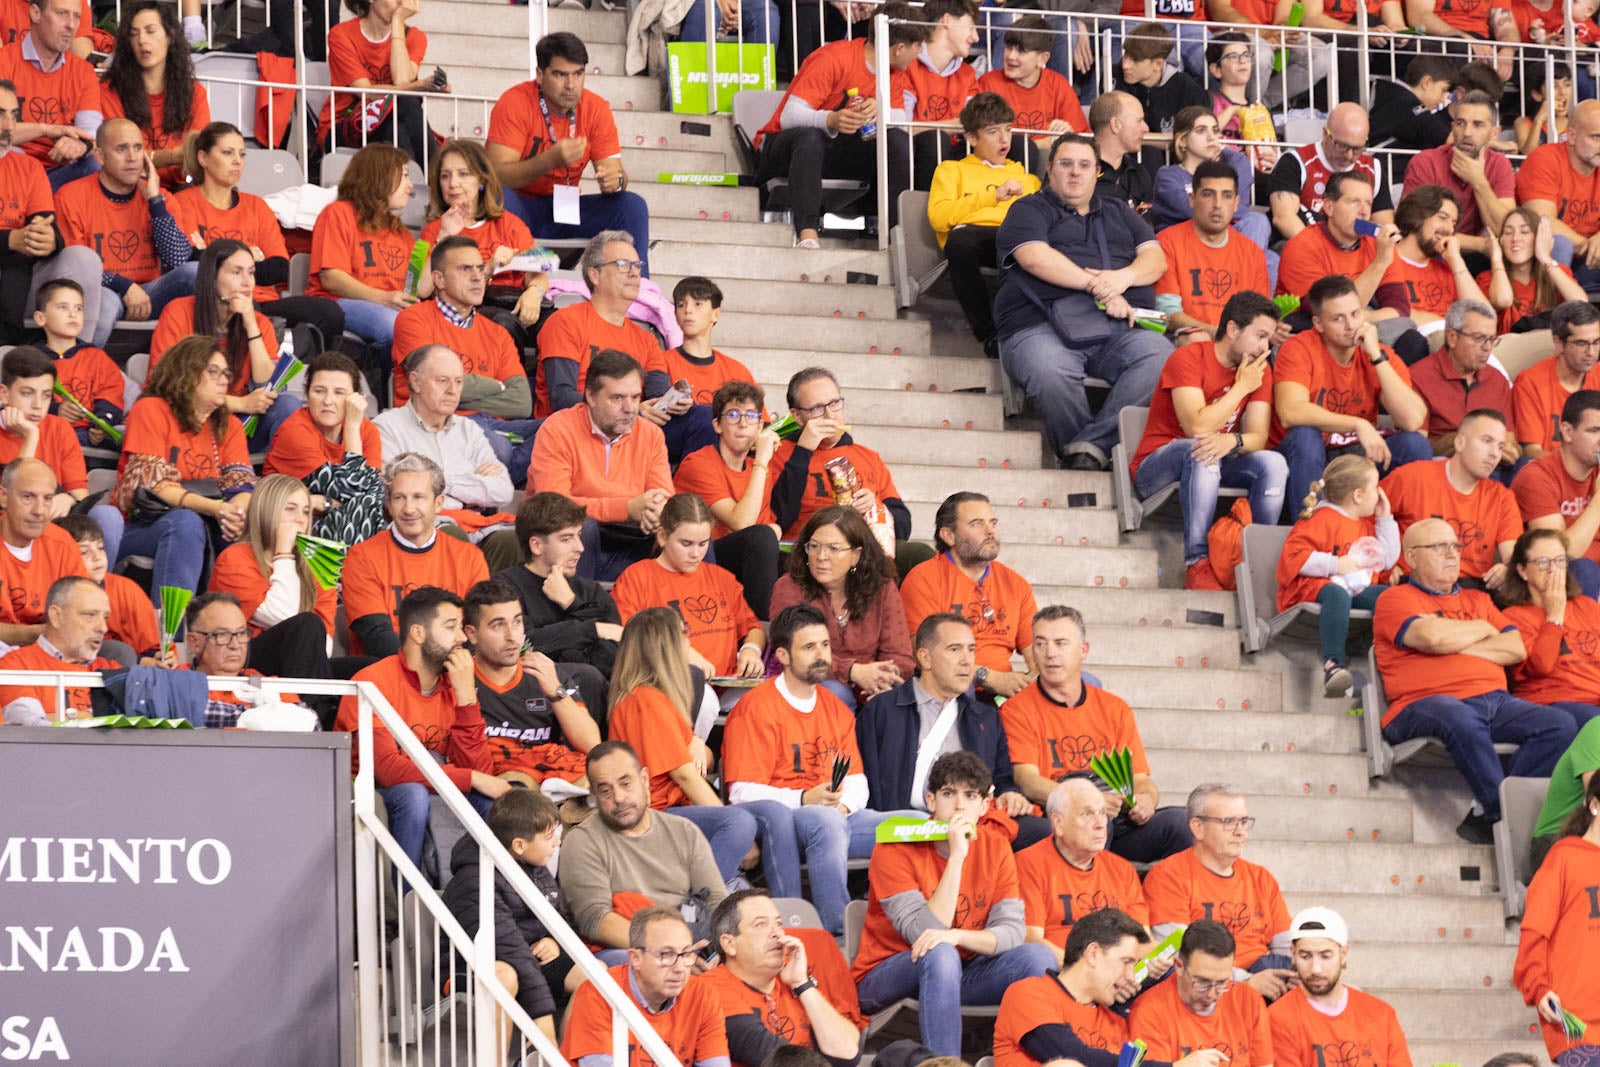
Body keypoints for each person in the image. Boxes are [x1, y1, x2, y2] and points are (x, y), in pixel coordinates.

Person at [1373, 517, 1576, 843]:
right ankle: (1503, 817)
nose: (1452, 554)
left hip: (1495, 701)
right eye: (1439, 547)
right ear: (1411, 557)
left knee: (1559, 725)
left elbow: (1515, 647)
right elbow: (1431, 637)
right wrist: (1483, 630)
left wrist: (1453, 643)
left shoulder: (1478, 600)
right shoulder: (1396, 599)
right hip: (1421, 704)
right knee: (1460, 716)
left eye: (1455, 545)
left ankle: (1486, 811)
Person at [851, 751, 1055, 1056]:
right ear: (931, 801)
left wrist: (958, 936)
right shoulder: (894, 845)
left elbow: (1012, 933)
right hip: (885, 973)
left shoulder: (996, 846)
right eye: (949, 794)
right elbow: (926, 933)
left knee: (1037, 958)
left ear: (985, 805)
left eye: (970, 796)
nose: (959, 805)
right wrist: (957, 856)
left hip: (959, 970)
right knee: (939, 951)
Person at [992, 133, 1171, 472]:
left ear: (1097, 172)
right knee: (1051, 370)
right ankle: (1085, 458)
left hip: (1114, 325)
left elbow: (1155, 260)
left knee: (1161, 357)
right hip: (1039, 324)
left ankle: (1088, 448)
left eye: (1084, 165)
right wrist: (1098, 286)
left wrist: (1123, 278)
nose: (1075, 173)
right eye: (1066, 164)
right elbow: (1034, 258)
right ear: (1049, 169)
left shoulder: (1119, 210)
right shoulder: (1028, 208)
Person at [723, 604, 891, 935]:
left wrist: (844, 805)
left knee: (916, 826)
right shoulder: (755, 708)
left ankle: (893, 928)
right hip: (784, 824)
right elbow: (741, 791)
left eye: (825, 645)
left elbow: (856, 779)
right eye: (809, 647)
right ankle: (837, 932)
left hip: (837, 819)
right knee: (825, 820)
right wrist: (803, 798)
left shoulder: (835, 707)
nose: (821, 655)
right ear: (783, 655)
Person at [333, 586, 506, 876]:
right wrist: (471, 777)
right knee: (412, 795)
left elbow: (480, 771)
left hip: (433, 785)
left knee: (490, 801)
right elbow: (387, 770)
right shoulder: (372, 681)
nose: (463, 638)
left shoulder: (456, 684)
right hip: (372, 792)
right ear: (417, 633)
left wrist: (467, 699)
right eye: (451, 627)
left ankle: (472, 898)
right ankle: (407, 902)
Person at [1000, 605, 1192, 864]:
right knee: (1094, 820)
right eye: (1040, 644)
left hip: (1120, 819)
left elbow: (1141, 779)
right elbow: (1027, 781)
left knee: (1181, 824)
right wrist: (1089, 803)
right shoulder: (1018, 708)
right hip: (1062, 820)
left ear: (1083, 650)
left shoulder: (1114, 708)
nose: (1050, 654)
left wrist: (1147, 799)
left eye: (1060, 643)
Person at [1129, 292, 1288, 591]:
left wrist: (1234, 441)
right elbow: (1196, 427)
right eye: (1260, 336)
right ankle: (1197, 562)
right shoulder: (1188, 358)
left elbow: (1258, 437)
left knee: (1274, 462)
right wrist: (1241, 388)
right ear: (1232, 330)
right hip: (1157, 466)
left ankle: (1254, 559)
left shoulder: (1258, 372)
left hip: (1215, 457)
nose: (1265, 348)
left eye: (1268, 340)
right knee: (1199, 449)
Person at [606, 606, 773, 887]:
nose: (688, 642)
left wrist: (696, 744)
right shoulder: (645, 700)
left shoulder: (653, 696)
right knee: (738, 823)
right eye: (682, 634)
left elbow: (700, 760)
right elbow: (684, 774)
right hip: (655, 813)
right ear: (664, 645)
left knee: (769, 814)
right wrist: (743, 840)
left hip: (671, 808)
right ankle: (702, 903)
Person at [750, 3, 920, 249]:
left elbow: (901, 121)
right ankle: (807, 234)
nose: (919, 54)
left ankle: (893, 236)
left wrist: (880, 111)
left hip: (834, 151)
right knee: (811, 136)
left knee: (897, 141)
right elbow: (789, 116)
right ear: (900, 48)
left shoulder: (893, 71)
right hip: (781, 148)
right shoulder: (833, 57)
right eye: (917, 48)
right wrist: (830, 119)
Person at [534, 231, 713, 464]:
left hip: (635, 431)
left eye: (637, 265)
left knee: (706, 419)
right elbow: (562, 398)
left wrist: (672, 402)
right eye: (622, 264)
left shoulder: (646, 339)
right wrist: (632, 411)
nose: (634, 272)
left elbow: (658, 392)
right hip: (578, 430)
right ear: (594, 275)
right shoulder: (565, 322)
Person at [858, 612, 1037, 838]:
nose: (967, 661)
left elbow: (1002, 779)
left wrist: (1010, 792)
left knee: (1041, 831)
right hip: (899, 827)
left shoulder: (985, 717)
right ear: (925, 658)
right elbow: (861, 778)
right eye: (954, 649)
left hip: (969, 825)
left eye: (971, 649)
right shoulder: (882, 711)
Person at [166, 121, 345, 345]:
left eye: (242, 154)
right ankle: (270, 342)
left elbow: (279, 267)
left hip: (262, 299)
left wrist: (215, 255)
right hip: (217, 303)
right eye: (227, 153)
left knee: (329, 313)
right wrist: (252, 257)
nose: (237, 162)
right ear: (203, 158)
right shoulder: (184, 203)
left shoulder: (257, 206)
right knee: (244, 308)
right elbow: (194, 263)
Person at [1270, 273, 1432, 517]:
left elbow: (1412, 419)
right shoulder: (1299, 348)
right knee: (1305, 436)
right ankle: (1309, 533)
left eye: (1356, 314)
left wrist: (1376, 356)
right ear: (1318, 323)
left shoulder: (1378, 353)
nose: (1351, 326)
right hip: (1308, 453)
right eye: (1338, 318)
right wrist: (1357, 424)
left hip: (1356, 455)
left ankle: (1402, 535)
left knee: (1414, 444)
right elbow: (1290, 411)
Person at [485, 32, 650, 265]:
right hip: (520, 207)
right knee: (494, 195)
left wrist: (616, 181)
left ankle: (638, 294)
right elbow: (496, 175)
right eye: (560, 75)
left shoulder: (596, 108)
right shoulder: (514, 102)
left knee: (632, 206)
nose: (571, 85)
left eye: (578, 74)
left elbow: (616, 171)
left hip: (566, 212)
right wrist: (548, 161)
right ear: (540, 75)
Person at [112, 336, 255, 595]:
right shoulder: (151, 410)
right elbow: (155, 487)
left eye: (226, 373)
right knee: (186, 523)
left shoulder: (229, 426)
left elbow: (241, 483)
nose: (224, 380)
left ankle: (228, 628)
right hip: (141, 527)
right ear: (186, 372)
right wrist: (216, 509)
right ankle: (170, 632)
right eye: (213, 371)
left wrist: (235, 514)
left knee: (245, 531)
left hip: (208, 520)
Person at [993, 907, 1222, 1067]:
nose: (1131, 976)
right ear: (1093, 953)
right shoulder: (1029, 993)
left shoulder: (1117, 1017)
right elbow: (1072, 1055)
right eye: (1126, 962)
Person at [556, 741, 728, 954]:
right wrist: (671, 953)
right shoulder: (582, 841)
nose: (618, 798)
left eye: (625, 784)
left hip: (687, 941)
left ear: (644, 780)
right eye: (605, 790)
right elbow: (595, 920)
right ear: (593, 795)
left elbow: (717, 903)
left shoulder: (684, 831)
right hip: (623, 950)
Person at [520, 349, 673, 582]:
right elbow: (554, 508)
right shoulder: (558, 429)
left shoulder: (651, 434)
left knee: (684, 530)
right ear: (590, 396)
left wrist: (657, 511)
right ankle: (579, 611)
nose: (630, 408)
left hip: (629, 536)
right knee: (581, 525)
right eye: (617, 398)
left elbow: (663, 496)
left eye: (635, 397)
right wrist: (627, 508)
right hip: (567, 539)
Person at [391, 237, 536, 476]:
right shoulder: (413, 319)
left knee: (565, 429)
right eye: (465, 269)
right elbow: (430, 390)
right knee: (497, 446)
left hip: (494, 425)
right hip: (437, 426)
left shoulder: (497, 332)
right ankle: (495, 477)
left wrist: (453, 392)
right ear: (438, 279)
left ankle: (493, 476)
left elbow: (521, 403)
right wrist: (498, 387)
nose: (478, 276)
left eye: (480, 268)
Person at [441, 789, 568, 1048]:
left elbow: (561, 919)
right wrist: (543, 1023)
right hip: (467, 968)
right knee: (505, 975)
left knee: (592, 974)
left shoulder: (536, 869)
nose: (557, 842)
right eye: (548, 836)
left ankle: (562, 1058)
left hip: (527, 961)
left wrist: (554, 940)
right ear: (519, 845)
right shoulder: (474, 880)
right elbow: (509, 949)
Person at [55, 118, 198, 349]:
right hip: (102, 291)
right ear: (100, 157)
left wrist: (155, 202)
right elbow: (75, 270)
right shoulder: (70, 197)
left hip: (150, 293)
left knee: (198, 272)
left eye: (138, 148)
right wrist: (123, 286)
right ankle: (79, 371)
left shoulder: (160, 198)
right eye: (121, 149)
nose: (132, 157)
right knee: (106, 304)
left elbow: (178, 260)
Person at [149, 238, 303, 450]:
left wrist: (250, 322)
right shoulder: (178, 313)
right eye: (236, 272)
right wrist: (241, 403)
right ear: (212, 278)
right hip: (191, 422)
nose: (247, 282)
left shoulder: (259, 324)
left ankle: (275, 479)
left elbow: (268, 387)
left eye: (251, 272)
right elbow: (168, 387)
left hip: (240, 426)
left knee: (288, 405)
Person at [1142, 785, 1295, 997]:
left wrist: (1278, 978)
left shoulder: (1262, 878)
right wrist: (1246, 982)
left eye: (1243, 822)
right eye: (1228, 822)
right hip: (1208, 988)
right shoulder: (1168, 875)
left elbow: (1288, 949)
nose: (1240, 831)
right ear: (1198, 827)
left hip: (1266, 978)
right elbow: (1179, 957)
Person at [766, 367, 922, 571]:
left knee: (917, 554)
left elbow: (903, 526)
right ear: (797, 416)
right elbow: (779, 519)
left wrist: (875, 507)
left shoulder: (868, 456)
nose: (830, 415)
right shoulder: (777, 452)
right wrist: (803, 451)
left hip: (862, 549)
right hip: (805, 551)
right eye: (817, 409)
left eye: (834, 403)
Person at [340, 452, 490, 657]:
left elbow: (477, 632)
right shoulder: (361, 557)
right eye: (399, 498)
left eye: (419, 497)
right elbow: (376, 637)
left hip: (455, 674)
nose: (409, 509)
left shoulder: (470, 557)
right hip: (388, 674)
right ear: (389, 505)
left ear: (438, 503)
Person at [926, 92, 1039, 360]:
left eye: (1008, 130)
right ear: (972, 138)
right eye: (993, 132)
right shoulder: (951, 170)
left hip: (1013, 237)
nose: (1004, 139)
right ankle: (990, 335)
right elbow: (939, 217)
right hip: (973, 237)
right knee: (960, 241)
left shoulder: (1027, 178)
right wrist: (992, 196)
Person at [771, 505, 913, 709]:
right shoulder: (790, 588)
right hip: (814, 683)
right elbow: (797, 654)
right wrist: (853, 672)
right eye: (814, 546)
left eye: (833, 548)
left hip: (872, 686)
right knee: (834, 693)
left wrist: (880, 681)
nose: (821, 556)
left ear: (856, 555)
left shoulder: (881, 588)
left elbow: (900, 656)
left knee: (894, 699)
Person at [1280, 454, 1400, 696]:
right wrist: (1335, 564)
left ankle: (1391, 658)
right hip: (1315, 587)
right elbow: (1295, 557)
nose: (1380, 492)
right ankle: (1333, 665)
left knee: (1390, 597)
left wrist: (1385, 518)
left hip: (1355, 588)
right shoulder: (1320, 518)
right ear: (1357, 495)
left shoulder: (1366, 522)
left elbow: (1387, 558)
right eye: (1376, 487)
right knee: (1337, 595)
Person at [703, 889, 864, 1067]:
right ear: (729, 944)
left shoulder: (792, 983)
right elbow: (778, 1058)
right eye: (760, 925)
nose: (777, 933)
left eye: (778, 923)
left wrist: (802, 984)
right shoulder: (711, 988)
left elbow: (847, 1054)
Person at [464, 578, 600, 788]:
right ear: (471, 634)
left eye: (517, 622)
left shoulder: (547, 673)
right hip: (499, 786)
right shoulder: (460, 678)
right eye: (498, 625)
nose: (512, 636)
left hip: (551, 779)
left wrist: (556, 692)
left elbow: (591, 744)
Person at [305, 142, 419, 391]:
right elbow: (332, 278)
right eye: (405, 176)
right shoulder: (338, 213)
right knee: (394, 326)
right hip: (337, 302)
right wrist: (383, 298)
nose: (411, 187)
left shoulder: (402, 232)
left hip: (390, 307)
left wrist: (443, 233)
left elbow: (417, 288)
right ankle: (383, 392)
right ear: (380, 175)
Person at [900, 492, 1037, 697]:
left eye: (992, 522)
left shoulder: (1016, 584)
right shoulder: (923, 579)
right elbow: (925, 656)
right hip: (951, 688)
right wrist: (988, 678)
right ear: (949, 535)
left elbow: (1037, 654)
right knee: (964, 691)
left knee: (1082, 683)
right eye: (976, 524)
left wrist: (1037, 679)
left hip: (1005, 690)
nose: (990, 531)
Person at [612, 494, 764, 679]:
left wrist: (751, 650)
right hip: (670, 682)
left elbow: (753, 628)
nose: (695, 553)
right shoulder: (637, 577)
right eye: (686, 544)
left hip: (727, 682)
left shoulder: (721, 577)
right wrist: (681, 653)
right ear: (662, 536)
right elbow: (625, 635)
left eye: (703, 544)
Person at [207, 473, 342, 677]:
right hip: (244, 660)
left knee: (368, 669)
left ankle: (312, 705)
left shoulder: (318, 564)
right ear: (267, 511)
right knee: (307, 624)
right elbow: (284, 616)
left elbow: (324, 647)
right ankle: (308, 708)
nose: (301, 519)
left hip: (305, 662)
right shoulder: (235, 558)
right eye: (290, 509)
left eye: (306, 512)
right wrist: (284, 554)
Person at [0, 80, 102, 348]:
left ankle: (76, 357)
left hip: (22, 280)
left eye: (13, 116)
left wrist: (49, 239)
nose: (8, 127)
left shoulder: (29, 167)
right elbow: (16, 240)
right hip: (11, 270)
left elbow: (45, 225)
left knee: (83, 258)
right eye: (0, 114)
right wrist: (10, 240)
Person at [560, 907, 731, 1067]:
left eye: (686, 954)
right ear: (635, 958)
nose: (680, 968)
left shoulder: (702, 993)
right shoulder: (599, 992)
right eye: (666, 954)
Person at [418, 138, 544, 351]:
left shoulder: (510, 223)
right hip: (472, 310)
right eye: (445, 176)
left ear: (482, 182)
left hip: (515, 304)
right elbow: (418, 289)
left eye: (463, 174)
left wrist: (535, 292)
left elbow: (540, 268)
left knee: (562, 324)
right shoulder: (429, 231)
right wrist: (445, 234)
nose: (453, 183)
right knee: (503, 325)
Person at [672, 380, 782, 618]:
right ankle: (761, 632)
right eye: (733, 415)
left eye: (751, 416)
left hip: (741, 556)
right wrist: (762, 459)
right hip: (699, 555)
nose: (743, 423)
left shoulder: (758, 469)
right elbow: (743, 523)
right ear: (717, 425)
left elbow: (763, 529)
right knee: (762, 538)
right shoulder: (698, 463)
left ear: (760, 426)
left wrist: (760, 465)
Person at [492, 492, 622, 686]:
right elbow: (522, 645)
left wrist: (571, 603)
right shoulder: (504, 587)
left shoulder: (591, 591)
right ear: (536, 546)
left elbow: (615, 652)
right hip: (533, 692)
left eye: (579, 536)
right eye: (566, 539)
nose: (580, 547)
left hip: (597, 692)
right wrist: (592, 629)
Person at [1380, 409, 1521, 588]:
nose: (1495, 454)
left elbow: (1513, 556)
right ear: (1460, 443)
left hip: (1475, 592)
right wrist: (1385, 565)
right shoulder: (1412, 477)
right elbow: (1364, 517)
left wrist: (1507, 568)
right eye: (1486, 441)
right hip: (1415, 585)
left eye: (1501, 447)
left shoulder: (1502, 497)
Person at [1016, 777, 1149, 965]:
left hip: (1119, 976)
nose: (1100, 824)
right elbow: (1031, 940)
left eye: (1102, 813)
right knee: (1035, 957)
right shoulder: (1028, 864)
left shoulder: (1122, 869)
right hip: (1062, 972)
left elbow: (1143, 941)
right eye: (1087, 814)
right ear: (1058, 823)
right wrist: (1087, 975)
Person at [1514, 773, 1600, 1062]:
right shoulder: (1563, 858)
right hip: (1577, 1024)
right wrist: (1539, 989)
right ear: (1595, 806)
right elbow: (1534, 932)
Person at [262, 351, 386, 545]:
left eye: (339, 393)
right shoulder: (295, 430)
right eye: (319, 391)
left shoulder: (367, 430)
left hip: (347, 520)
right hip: (289, 525)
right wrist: (352, 428)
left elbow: (371, 492)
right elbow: (351, 488)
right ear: (307, 394)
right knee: (363, 507)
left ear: (357, 398)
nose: (328, 401)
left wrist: (321, 501)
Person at [373, 344, 514, 514]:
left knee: (512, 539)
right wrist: (469, 494)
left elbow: (503, 491)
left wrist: (439, 483)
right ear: (416, 382)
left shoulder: (468, 429)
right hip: (422, 532)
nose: (453, 391)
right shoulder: (386, 427)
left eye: (458, 382)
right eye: (442, 381)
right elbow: (396, 495)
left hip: (478, 527)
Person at [1267, 908, 1411, 1067]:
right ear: (1293, 955)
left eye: (1325, 956)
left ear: (1343, 955)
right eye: (1305, 956)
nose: (1316, 968)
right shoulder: (1278, 1018)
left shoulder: (1382, 1014)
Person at [1128, 920, 1277, 1067]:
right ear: (1179, 966)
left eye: (1221, 983)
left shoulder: (1249, 1000)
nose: (1212, 994)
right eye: (1202, 982)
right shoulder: (1149, 1012)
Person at [1274, 171, 1407, 329]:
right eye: (1354, 202)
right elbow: (1330, 311)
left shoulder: (1379, 244)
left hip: (1367, 325)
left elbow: (1400, 310)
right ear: (1329, 207)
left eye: (1368, 203)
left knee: (1407, 332)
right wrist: (1380, 263)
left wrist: (1366, 317)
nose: (1363, 211)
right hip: (1312, 329)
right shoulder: (1301, 246)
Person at [316, 0, 439, 168]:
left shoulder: (415, 37)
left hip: (390, 123)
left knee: (395, 129)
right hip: (346, 123)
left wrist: (396, 23)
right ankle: (434, 175)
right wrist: (419, 86)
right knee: (405, 101)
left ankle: (413, 186)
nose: (402, 3)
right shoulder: (341, 34)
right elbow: (365, 92)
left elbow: (402, 80)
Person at [98, 2, 207, 192]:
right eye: (134, 34)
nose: (142, 40)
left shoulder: (194, 91)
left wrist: (155, 158)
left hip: (182, 190)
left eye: (150, 31)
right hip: (131, 188)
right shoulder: (110, 90)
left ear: (170, 35)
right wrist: (174, 156)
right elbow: (120, 158)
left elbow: (198, 153)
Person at [1499, 527, 1600, 730]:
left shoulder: (1587, 606)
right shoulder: (1513, 617)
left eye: (1560, 561)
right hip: (1553, 702)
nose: (1554, 569)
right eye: (1543, 562)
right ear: (1522, 571)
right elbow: (1540, 667)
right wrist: (1554, 615)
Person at [0, 348, 106, 529]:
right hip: (9, 527)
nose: (38, 405)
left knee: (105, 515)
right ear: (4, 394)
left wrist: (68, 498)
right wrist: (31, 436)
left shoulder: (60, 428)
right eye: (27, 393)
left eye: (46, 395)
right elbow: (12, 506)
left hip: (55, 523)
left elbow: (80, 494)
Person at [182, 591, 321, 728]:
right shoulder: (177, 681)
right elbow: (184, 708)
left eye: (241, 633)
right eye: (222, 635)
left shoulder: (265, 683)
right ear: (194, 642)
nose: (235, 645)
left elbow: (312, 724)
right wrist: (263, 715)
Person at [0, 0, 99, 190]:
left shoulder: (83, 72)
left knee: (94, 164)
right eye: (62, 14)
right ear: (36, 14)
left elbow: (92, 133)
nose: (71, 25)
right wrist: (46, 130)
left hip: (60, 170)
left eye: (76, 16)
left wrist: (81, 146)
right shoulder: (4, 62)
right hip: (13, 169)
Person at [1402, 91, 1515, 256]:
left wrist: (1478, 181)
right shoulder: (1425, 162)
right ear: (1453, 127)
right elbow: (1415, 228)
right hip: (1434, 254)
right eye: (1460, 123)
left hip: (1478, 259)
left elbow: (1505, 230)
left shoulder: (1500, 165)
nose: (1467, 132)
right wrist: (1480, 244)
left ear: (1494, 133)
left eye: (1477, 124)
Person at [1514, 389, 1600, 597]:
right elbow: (1562, 553)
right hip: (1560, 581)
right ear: (1568, 432)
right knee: (1583, 570)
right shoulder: (1536, 478)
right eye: (1594, 431)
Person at [1268, 102, 1395, 242]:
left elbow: (1384, 229)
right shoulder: (1296, 161)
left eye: (1358, 148)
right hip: (1305, 247)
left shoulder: (1373, 168)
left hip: (1354, 250)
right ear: (1325, 134)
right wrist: (1321, 251)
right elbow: (1284, 218)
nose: (1349, 155)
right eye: (1342, 146)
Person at [974, 15, 1086, 170]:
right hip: (999, 168)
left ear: (1043, 58)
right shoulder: (989, 82)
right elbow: (984, 139)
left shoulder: (1059, 84)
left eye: (1021, 51)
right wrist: (1039, 144)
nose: (1011, 56)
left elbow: (1082, 139)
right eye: (1008, 47)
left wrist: (1068, 134)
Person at [0, 575, 117, 724]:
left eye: (105, 617)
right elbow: (33, 728)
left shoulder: (113, 670)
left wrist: (60, 717)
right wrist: (94, 717)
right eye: (90, 615)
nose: (103, 628)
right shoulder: (14, 665)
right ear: (56, 616)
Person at [1150, 110, 1267, 250]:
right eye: (1201, 131)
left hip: (1222, 239)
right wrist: (1226, 211)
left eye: (1215, 130)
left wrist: (1224, 150)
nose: (1211, 137)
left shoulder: (1220, 176)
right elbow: (1191, 211)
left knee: (1265, 242)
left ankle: (1236, 268)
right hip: (1185, 245)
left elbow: (1240, 204)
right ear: (1182, 140)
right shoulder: (1168, 175)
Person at [1408, 305, 1517, 453]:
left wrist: (1510, 451)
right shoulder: (1419, 376)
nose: (1487, 347)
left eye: (1492, 339)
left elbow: (1510, 439)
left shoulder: (1497, 380)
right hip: (1446, 463)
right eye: (1479, 338)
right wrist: (1463, 442)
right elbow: (1416, 447)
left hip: (1495, 464)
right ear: (1452, 337)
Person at [32, 280, 126, 450]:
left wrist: (103, 423)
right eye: (63, 307)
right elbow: (24, 401)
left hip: (92, 436)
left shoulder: (97, 357)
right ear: (40, 318)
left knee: (131, 438)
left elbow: (111, 392)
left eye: (78, 308)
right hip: (50, 436)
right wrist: (56, 410)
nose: (72, 314)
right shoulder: (31, 360)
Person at [1515, 99, 1600, 285]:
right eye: (1596, 137)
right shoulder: (1545, 159)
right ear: (1571, 136)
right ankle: (1551, 313)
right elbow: (1542, 221)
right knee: (1560, 244)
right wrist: (1590, 247)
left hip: (1587, 264)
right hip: (1540, 260)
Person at [55, 513, 160, 662]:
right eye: (84, 552)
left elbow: (153, 648)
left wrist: (159, 658)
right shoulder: (51, 592)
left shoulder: (125, 589)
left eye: (100, 548)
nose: (97, 557)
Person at [1380, 186, 1490, 327]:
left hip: (1458, 342)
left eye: (1453, 223)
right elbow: (1395, 314)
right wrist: (1449, 325)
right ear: (1416, 216)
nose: (1449, 229)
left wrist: (1456, 261)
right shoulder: (1384, 260)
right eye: (1442, 218)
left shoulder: (1449, 269)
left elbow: (1484, 319)